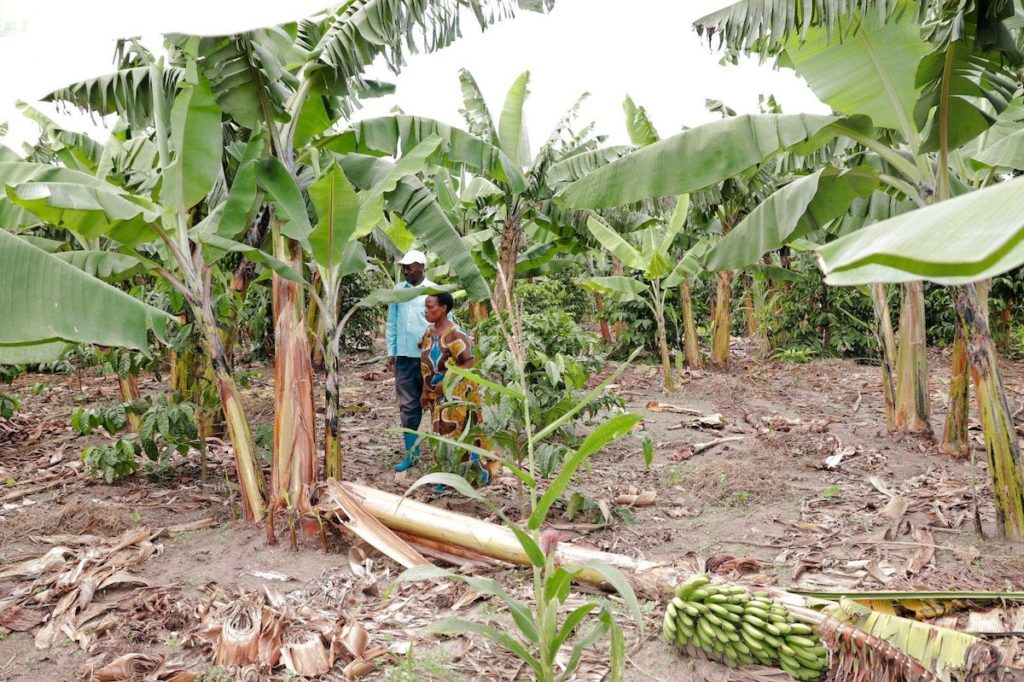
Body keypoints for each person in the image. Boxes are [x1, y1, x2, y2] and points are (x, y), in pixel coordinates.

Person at [419, 292, 499, 484]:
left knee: (458, 434)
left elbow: (469, 362)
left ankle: (471, 476)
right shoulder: (429, 332)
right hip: (436, 396)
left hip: (455, 396)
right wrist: (424, 390)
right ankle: (445, 476)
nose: (426, 311)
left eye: (430, 307)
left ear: (443, 308)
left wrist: (446, 382)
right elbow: (425, 364)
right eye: (426, 307)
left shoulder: (456, 334)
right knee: (440, 434)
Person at [386, 249, 434, 472]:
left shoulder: (433, 292)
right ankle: (411, 454)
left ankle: (439, 455)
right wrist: (391, 352)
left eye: (410, 267)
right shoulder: (398, 291)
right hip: (404, 358)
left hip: (428, 358)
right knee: (408, 406)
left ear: (422, 267)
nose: (406, 271)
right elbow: (392, 324)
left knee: (435, 404)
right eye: (403, 267)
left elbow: (446, 325)